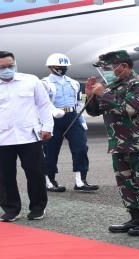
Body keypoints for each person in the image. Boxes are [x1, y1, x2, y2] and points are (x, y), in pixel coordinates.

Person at [85, 50, 139, 236]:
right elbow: (96, 111)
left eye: (110, 67)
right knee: (126, 184)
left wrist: (103, 93)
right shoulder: (113, 86)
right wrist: (91, 95)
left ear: (124, 66)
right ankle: (135, 217)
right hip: (120, 144)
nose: (107, 71)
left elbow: (129, 109)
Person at [0, 51, 54, 222]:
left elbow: (44, 104)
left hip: (30, 136)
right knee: (5, 175)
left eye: (11, 65)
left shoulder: (31, 80)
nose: (7, 69)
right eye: (2, 67)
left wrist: (47, 127)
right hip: (1, 138)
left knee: (36, 173)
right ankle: (11, 209)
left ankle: (38, 207)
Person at [41, 53, 99, 192]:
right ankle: (50, 181)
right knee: (50, 151)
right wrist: (52, 112)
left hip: (72, 116)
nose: (62, 68)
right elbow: (42, 103)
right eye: (58, 66)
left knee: (81, 148)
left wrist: (81, 118)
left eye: (64, 66)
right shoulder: (43, 83)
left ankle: (81, 181)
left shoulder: (74, 83)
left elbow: (79, 101)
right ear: (50, 67)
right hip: (53, 118)